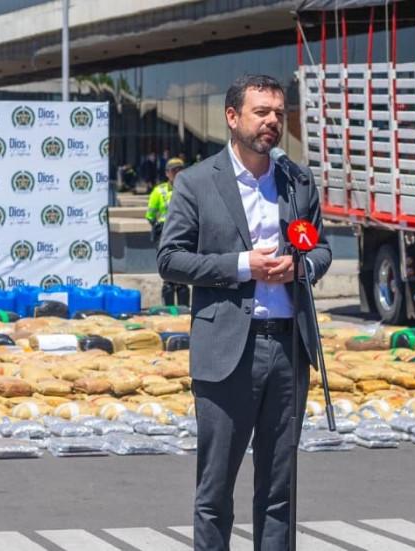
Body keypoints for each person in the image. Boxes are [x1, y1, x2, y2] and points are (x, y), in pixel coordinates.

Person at [158, 74, 331, 550]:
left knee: (280, 490)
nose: (272, 121)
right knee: (216, 490)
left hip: (288, 347)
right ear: (233, 118)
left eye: (278, 112)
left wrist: (300, 266)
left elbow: (322, 250)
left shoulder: (297, 181)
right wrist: (242, 266)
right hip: (228, 349)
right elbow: (170, 260)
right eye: (262, 112)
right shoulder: (196, 183)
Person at [147, 157, 190, 306]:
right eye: (174, 171)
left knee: (184, 277)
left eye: (180, 170)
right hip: (164, 235)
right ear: (167, 173)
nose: (177, 173)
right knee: (168, 276)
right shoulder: (158, 192)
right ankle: (170, 311)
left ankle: (184, 311)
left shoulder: (190, 189)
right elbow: (150, 215)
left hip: (185, 234)